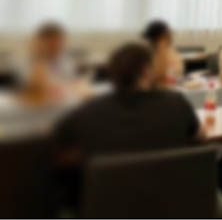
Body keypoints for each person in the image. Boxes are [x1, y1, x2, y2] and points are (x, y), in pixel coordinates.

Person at [54, 42, 202, 160]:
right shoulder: (177, 104)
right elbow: (199, 137)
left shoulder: (89, 112)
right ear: (147, 71)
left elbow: (57, 144)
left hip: (110, 188)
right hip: (173, 187)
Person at [20, 22, 75, 105]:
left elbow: (72, 84)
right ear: (40, 42)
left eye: (60, 43)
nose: (57, 47)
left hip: (63, 104)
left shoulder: (65, 61)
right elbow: (35, 89)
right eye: (52, 44)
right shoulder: (27, 63)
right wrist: (39, 58)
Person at [142, 20, 184, 86]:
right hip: (157, 88)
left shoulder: (170, 51)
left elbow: (178, 72)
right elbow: (155, 76)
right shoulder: (149, 54)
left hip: (170, 86)